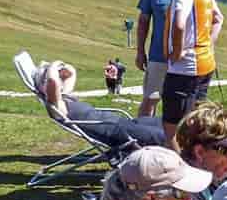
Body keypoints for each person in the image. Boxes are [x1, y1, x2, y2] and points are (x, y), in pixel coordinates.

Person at [161, 0, 224, 144]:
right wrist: (208, 45)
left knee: (173, 126)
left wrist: (178, 52)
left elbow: (179, 24)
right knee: (197, 121)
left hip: (184, 69)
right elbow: (218, 18)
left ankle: (180, 172)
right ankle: (202, 164)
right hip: (205, 63)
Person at [35, 60, 167, 150]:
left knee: (169, 124)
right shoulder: (56, 105)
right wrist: (53, 66)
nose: (60, 78)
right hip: (118, 132)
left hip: (125, 123)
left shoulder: (65, 96)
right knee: (166, 138)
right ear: (44, 85)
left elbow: (71, 72)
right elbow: (52, 81)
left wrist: (61, 67)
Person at [134, 0, 178, 119]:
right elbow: (143, 20)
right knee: (150, 99)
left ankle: (178, 142)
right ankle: (142, 137)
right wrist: (140, 51)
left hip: (186, 58)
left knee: (180, 104)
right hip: (158, 55)